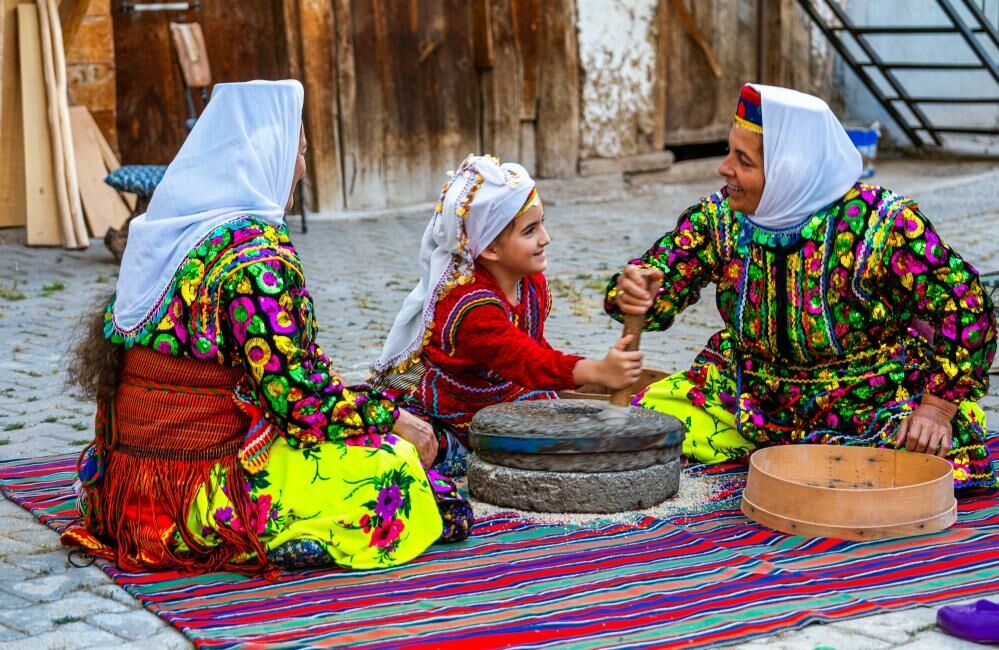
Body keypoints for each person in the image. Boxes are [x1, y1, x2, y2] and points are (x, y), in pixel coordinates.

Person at [61, 80, 471, 576]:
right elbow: (301, 405)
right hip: (195, 494)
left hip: (127, 488)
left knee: (387, 431)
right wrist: (390, 422)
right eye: (296, 152)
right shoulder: (257, 258)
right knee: (402, 479)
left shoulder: (163, 234)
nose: (301, 166)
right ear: (264, 156)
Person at [606, 83, 997, 491]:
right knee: (652, 418)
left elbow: (968, 308)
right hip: (750, 395)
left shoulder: (881, 224)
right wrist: (636, 289)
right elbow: (657, 276)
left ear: (789, 170)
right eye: (729, 152)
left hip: (867, 401)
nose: (724, 169)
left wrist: (935, 409)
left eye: (743, 161)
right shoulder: (721, 218)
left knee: (917, 459)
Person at [372, 154, 644, 476]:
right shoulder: (471, 309)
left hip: (505, 390)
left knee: (572, 416)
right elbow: (526, 362)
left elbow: (535, 351)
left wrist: (595, 371)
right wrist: (598, 372)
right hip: (453, 407)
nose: (546, 238)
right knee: (438, 454)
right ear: (490, 249)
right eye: (530, 231)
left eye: (543, 223)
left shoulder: (530, 283)